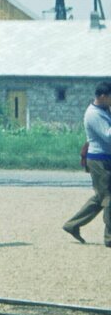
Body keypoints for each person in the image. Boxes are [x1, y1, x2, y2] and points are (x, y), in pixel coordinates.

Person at [62, 81, 111, 247]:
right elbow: (108, 136)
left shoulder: (104, 110)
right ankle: (110, 237)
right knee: (109, 198)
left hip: (105, 158)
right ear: (103, 96)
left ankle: (72, 225)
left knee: (101, 198)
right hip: (99, 160)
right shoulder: (93, 114)